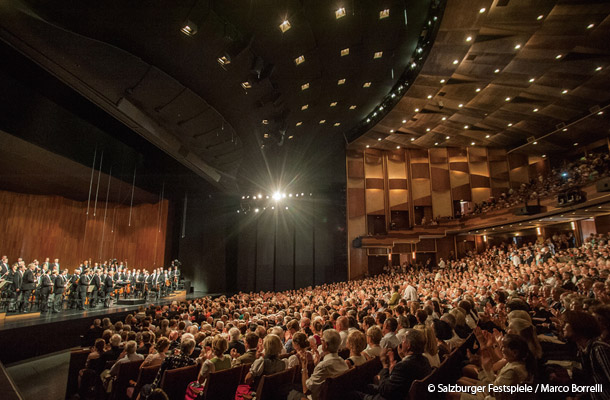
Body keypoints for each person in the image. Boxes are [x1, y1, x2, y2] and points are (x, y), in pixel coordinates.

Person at [349, 329, 432, 400]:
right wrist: (402, 358)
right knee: (367, 386)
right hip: (401, 393)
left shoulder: (403, 366)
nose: (401, 342)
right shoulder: (424, 360)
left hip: (392, 396)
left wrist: (385, 365)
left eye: (403, 340)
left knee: (353, 394)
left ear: (408, 346)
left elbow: (384, 390)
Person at [289, 329, 348, 400]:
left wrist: (304, 366)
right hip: (336, 396)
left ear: (325, 345)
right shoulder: (343, 362)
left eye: (322, 340)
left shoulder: (323, 366)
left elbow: (306, 390)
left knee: (289, 391)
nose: (320, 342)